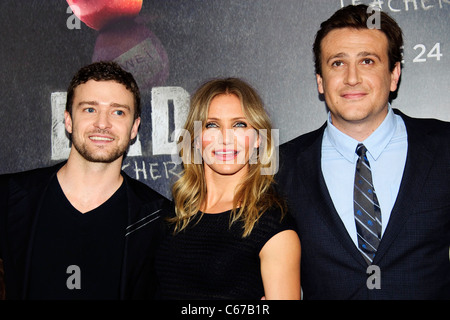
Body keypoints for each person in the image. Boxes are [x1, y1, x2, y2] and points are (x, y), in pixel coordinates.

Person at [276, 4, 450, 299]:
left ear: (394, 74)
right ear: (320, 81)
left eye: (368, 61)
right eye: (337, 63)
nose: (352, 78)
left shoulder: (444, 146)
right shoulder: (280, 167)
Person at [0, 61, 168, 299]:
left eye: (118, 111)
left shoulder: (158, 220)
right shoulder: (9, 199)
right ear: (68, 121)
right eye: (90, 109)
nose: (102, 123)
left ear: (134, 128)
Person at [155, 78, 301, 300]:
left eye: (239, 125)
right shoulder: (174, 216)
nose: (225, 139)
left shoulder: (272, 225)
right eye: (212, 125)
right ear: (195, 139)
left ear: (257, 139)